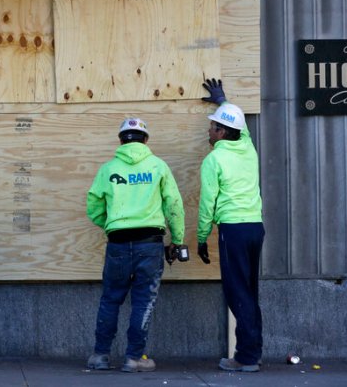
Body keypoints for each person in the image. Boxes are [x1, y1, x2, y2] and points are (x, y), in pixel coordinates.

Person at [85, 118, 185, 373]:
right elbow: (173, 205)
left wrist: (111, 224)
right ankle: (133, 358)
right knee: (143, 301)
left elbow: (93, 206)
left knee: (110, 300)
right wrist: (178, 239)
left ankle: (100, 356)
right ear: (146, 140)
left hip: (117, 243)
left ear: (121, 141)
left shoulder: (109, 169)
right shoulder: (158, 166)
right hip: (149, 244)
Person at [197, 79, 264, 373]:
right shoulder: (247, 147)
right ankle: (252, 353)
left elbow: (206, 204)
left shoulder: (215, 159)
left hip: (233, 231)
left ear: (222, 132)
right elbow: (243, 127)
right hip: (254, 228)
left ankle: (246, 358)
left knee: (238, 292)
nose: (208, 130)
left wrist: (201, 238)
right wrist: (223, 101)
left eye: (212, 126)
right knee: (249, 291)